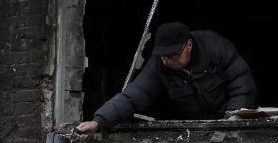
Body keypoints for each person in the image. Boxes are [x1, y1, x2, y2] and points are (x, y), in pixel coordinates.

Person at [76, 22, 257, 134]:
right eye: (163, 56)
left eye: (173, 56)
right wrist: (99, 121)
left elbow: (242, 85)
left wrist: (231, 124)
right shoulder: (160, 64)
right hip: (197, 127)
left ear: (189, 45)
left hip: (229, 120)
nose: (167, 61)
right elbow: (135, 93)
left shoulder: (215, 46)